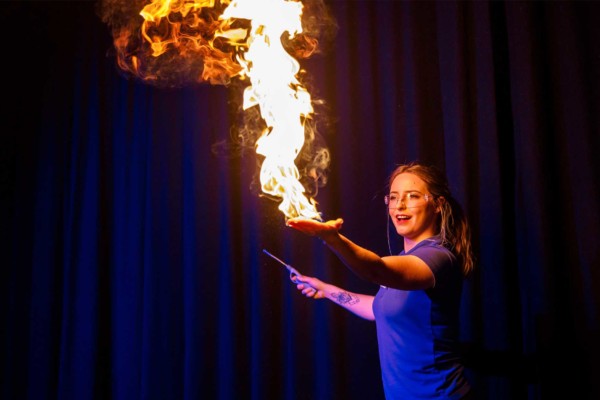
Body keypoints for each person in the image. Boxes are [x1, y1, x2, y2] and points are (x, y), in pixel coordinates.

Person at [286, 162, 474, 400]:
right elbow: (379, 308)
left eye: (413, 196)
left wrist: (331, 238)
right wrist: (327, 289)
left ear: (437, 204)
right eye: (393, 198)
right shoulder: (406, 260)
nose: (400, 206)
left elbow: (376, 269)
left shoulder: (437, 257)